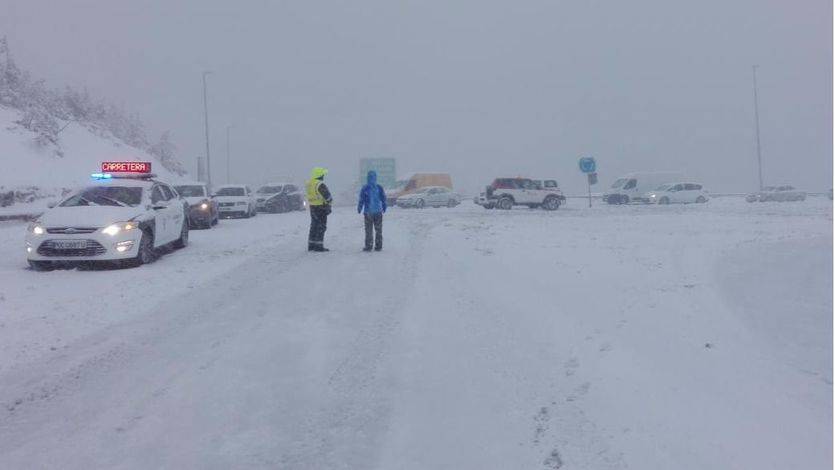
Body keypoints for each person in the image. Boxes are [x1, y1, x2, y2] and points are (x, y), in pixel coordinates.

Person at [357, 170, 387, 251]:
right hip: (378, 212)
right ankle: (378, 246)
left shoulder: (365, 188)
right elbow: (383, 198)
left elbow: (361, 199)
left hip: (368, 212)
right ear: (376, 178)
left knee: (368, 230)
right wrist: (384, 206)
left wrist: (359, 208)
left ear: (367, 178)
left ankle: (369, 246)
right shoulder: (379, 187)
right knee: (378, 230)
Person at [306, 167, 333, 252]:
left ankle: (311, 245)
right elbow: (328, 196)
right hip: (321, 207)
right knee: (321, 227)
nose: (323, 176)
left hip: (312, 207)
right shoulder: (320, 184)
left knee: (314, 226)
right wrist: (329, 204)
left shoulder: (309, 183)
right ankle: (319, 246)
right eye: (322, 174)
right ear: (319, 175)